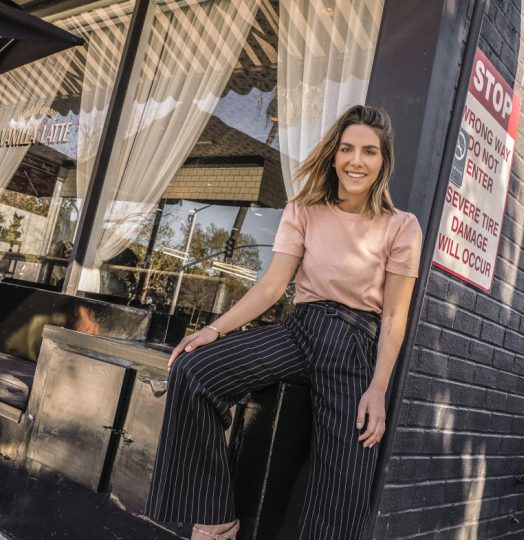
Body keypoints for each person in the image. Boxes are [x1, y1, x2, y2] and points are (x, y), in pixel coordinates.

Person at [144, 105, 423, 540]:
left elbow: (394, 315)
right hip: (299, 329)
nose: (356, 160)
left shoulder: (402, 227)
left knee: (344, 482)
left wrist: (379, 387)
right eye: (347, 149)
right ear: (334, 155)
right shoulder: (303, 210)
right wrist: (213, 330)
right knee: (193, 371)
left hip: (353, 345)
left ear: (383, 161)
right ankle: (216, 519)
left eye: (369, 151)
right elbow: (272, 287)